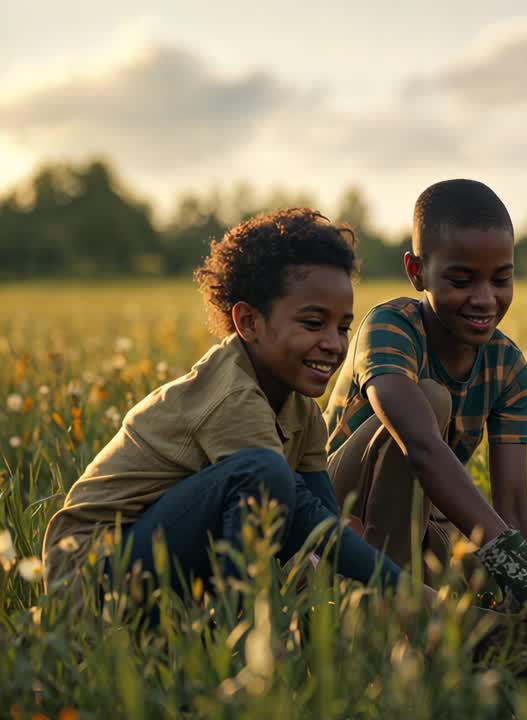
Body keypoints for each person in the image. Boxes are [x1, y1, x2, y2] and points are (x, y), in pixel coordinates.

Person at [42, 209, 412, 599]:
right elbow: (303, 516)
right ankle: (244, 626)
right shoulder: (232, 394)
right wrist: (406, 591)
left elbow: (322, 519)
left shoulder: (300, 406)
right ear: (249, 322)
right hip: (89, 577)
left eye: (342, 328)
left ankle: (239, 619)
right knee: (262, 471)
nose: (334, 345)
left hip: (155, 557)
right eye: (312, 323)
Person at [323, 179, 527, 616]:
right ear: (417, 272)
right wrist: (514, 563)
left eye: (502, 279)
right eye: (461, 280)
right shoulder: (391, 326)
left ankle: (418, 599)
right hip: (332, 508)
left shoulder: (507, 366)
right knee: (429, 399)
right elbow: (421, 446)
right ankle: (387, 607)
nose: (485, 299)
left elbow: (511, 501)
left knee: (481, 571)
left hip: (418, 517)